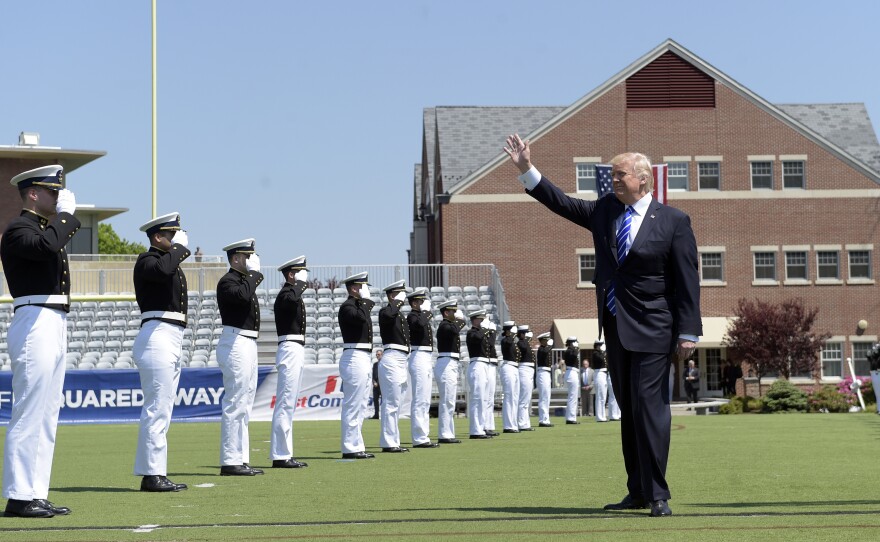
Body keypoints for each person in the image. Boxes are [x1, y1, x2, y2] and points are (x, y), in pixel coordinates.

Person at [505, 135, 701, 517]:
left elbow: (687, 279)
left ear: (643, 179)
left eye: (620, 174)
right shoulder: (606, 211)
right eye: (612, 174)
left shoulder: (674, 221)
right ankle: (639, 490)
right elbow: (561, 203)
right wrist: (525, 168)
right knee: (629, 411)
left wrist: (688, 331)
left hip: (654, 328)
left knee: (649, 410)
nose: (613, 180)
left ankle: (659, 493)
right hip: (615, 327)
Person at [1, 165, 78, 518]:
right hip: (34, 320)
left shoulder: (45, 229)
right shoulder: (19, 229)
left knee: (47, 415)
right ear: (33, 193)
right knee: (29, 412)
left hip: (54, 320)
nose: (58, 197)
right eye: (52, 191)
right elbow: (47, 248)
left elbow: (51, 244)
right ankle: (18, 496)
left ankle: (35, 491)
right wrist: (64, 218)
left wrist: (59, 220)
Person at [132, 212, 190, 492]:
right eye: (172, 235)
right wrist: (179, 248)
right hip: (157, 334)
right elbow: (162, 270)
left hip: (171, 334)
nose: (177, 239)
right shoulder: (148, 260)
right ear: (158, 237)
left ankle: (156, 471)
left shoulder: (169, 262)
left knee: (163, 407)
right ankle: (151, 474)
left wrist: (176, 249)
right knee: (157, 407)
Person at [216, 238, 264, 476]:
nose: (252, 260)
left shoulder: (244, 281)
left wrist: (252, 276)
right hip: (235, 342)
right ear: (236, 258)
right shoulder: (228, 282)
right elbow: (243, 297)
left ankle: (241, 458)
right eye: (248, 256)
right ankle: (230, 460)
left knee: (245, 404)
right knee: (235, 403)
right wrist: (255, 274)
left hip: (247, 342)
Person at [269, 256, 310, 469]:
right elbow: (292, 299)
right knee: (285, 402)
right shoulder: (286, 294)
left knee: (290, 403)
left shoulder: (292, 294)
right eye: (301, 272)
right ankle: (280, 454)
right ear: (291, 274)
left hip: (296, 347)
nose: (305, 276)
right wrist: (300, 283)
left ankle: (285, 452)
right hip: (289, 347)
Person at [337, 272, 375, 459]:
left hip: (364, 356)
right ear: (353, 288)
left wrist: (365, 302)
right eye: (362, 286)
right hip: (354, 356)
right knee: (353, 404)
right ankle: (349, 447)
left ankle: (356, 445)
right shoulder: (348, 307)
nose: (365, 290)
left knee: (361, 405)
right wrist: (366, 300)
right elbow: (359, 318)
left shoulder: (360, 306)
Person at [377, 280, 411, 453]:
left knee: (397, 402)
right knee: (391, 403)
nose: (402, 298)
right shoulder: (386, 312)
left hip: (402, 359)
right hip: (391, 357)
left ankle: (393, 440)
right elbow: (389, 314)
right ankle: (389, 443)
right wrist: (396, 301)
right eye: (399, 293)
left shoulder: (399, 315)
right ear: (392, 295)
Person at [406, 288, 439, 448]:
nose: (422, 303)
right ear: (414, 303)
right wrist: (426, 312)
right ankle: (419, 438)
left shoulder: (420, 316)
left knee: (425, 399)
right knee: (420, 399)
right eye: (420, 301)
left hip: (426, 356)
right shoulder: (412, 316)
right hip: (418, 355)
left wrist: (425, 313)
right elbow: (419, 325)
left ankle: (423, 435)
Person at [434, 300, 466, 444]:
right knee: (447, 401)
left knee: (450, 401)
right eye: (453, 311)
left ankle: (448, 432)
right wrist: (460, 320)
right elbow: (455, 330)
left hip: (451, 362)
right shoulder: (444, 326)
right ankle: (445, 434)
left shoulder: (449, 325)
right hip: (446, 363)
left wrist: (459, 320)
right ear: (446, 313)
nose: (455, 313)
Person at [466, 309, 495, 439]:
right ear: (475, 320)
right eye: (481, 319)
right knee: (477, 399)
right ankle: (475, 430)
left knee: (484, 399)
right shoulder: (471, 332)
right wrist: (484, 330)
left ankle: (482, 427)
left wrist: (491, 331)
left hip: (484, 365)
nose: (483, 321)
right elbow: (477, 338)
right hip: (477, 364)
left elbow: (491, 344)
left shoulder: (482, 333)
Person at [499, 321, 521, 433]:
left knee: (515, 397)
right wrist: (510, 334)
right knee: (509, 396)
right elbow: (507, 342)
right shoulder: (506, 340)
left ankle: (513, 424)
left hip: (515, 368)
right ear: (509, 330)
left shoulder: (513, 341)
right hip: (508, 367)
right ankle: (508, 425)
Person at [593, 341, 620, 423]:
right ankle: (600, 417)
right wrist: (604, 351)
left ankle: (609, 415)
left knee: (605, 397)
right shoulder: (595, 353)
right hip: (599, 373)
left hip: (605, 373)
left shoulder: (602, 353)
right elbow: (601, 359)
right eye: (601, 345)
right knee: (600, 397)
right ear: (598, 346)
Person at [516, 325, 536, 431]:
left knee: (527, 398)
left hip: (529, 370)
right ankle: (522, 423)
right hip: (524, 369)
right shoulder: (521, 343)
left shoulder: (526, 343)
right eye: (526, 333)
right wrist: (526, 339)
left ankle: (525, 423)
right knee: (523, 399)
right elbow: (523, 348)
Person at [535, 333, 554, 427]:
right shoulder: (541, 349)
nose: (548, 341)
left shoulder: (545, 349)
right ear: (542, 341)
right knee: (543, 397)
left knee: (547, 397)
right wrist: (550, 345)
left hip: (546, 373)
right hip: (542, 373)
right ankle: (543, 420)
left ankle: (546, 419)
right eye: (546, 340)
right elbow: (546, 351)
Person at [562, 337, 581, 424]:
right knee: (572, 397)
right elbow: (574, 355)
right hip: (571, 372)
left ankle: (571, 417)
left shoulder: (571, 350)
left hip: (573, 373)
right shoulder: (569, 351)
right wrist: (575, 348)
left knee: (573, 397)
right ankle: (570, 418)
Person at [371, 349, 383, 419]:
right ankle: (376, 415)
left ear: (382, 355)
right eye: (376, 355)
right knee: (375, 400)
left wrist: (378, 382)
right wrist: (374, 382)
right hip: (375, 386)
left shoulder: (384, 364)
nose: (377, 356)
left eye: (379, 354)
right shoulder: (375, 364)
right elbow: (373, 374)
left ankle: (384, 414)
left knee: (384, 400)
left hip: (382, 385)